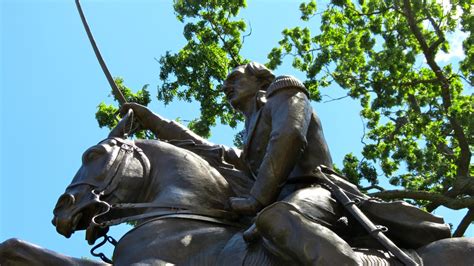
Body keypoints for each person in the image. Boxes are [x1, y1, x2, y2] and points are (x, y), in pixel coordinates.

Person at [122, 62, 451, 264]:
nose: (227, 86)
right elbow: (208, 151)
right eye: (226, 84)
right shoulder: (248, 137)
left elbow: (289, 136)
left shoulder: (285, 90)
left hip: (317, 191)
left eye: (235, 78)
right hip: (276, 202)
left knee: (277, 219)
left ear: (260, 80)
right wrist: (152, 120)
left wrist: (256, 198)